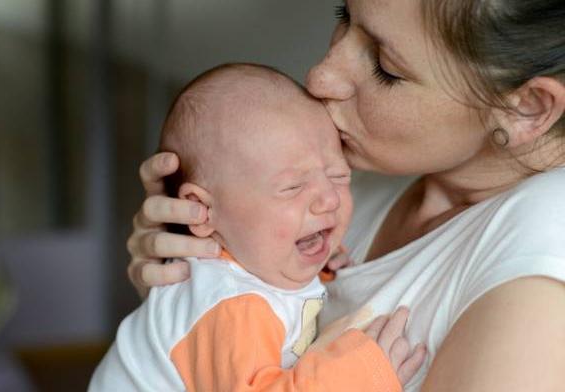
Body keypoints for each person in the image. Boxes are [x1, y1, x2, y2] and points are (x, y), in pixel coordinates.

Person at [126, 1, 565, 391]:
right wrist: (187, 289)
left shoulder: (543, 253)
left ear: (527, 107)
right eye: (344, 16)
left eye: (385, 67)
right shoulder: (358, 174)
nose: (321, 76)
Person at [91, 63, 426, 391]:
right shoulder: (230, 305)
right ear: (203, 211)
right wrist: (360, 376)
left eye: (339, 177)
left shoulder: (255, 261)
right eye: (292, 187)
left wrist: (318, 268)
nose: (329, 200)